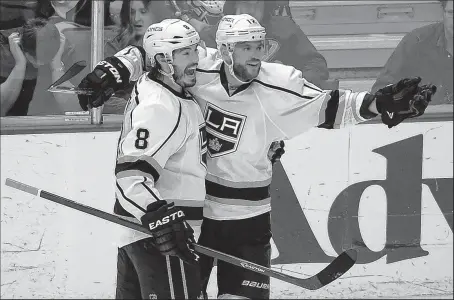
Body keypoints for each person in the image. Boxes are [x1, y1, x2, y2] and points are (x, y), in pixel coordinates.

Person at [77, 14, 436, 299]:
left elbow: (335, 107)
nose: (255, 53)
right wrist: (115, 70)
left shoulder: (281, 85)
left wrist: (381, 104)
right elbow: (149, 53)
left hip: (248, 220)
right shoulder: (195, 69)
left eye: (259, 45)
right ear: (223, 51)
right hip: (197, 219)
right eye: (244, 46)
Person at [86, 19, 207, 299]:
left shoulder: (160, 87)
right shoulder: (160, 106)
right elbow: (130, 175)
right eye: (186, 53)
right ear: (164, 60)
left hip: (143, 236)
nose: (197, 59)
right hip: (160, 241)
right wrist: (160, 218)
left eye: (195, 50)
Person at [191, 0, 329, 87]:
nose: (250, 10)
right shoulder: (212, 35)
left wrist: (292, 84)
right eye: (244, 3)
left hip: (274, 102)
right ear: (233, 6)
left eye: (256, 4)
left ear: (266, 6)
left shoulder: (285, 29)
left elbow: (315, 64)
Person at [371, 0, 453, 105]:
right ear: (443, 13)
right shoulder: (416, 41)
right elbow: (381, 90)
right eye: (452, 13)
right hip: (423, 117)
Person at [0, 17, 79, 116]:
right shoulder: (4, 48)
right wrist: (20, 65)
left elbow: (77, 111)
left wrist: (56, 64)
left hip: (53, 122)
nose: (37, 66)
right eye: (33, 58)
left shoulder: (65, 49)